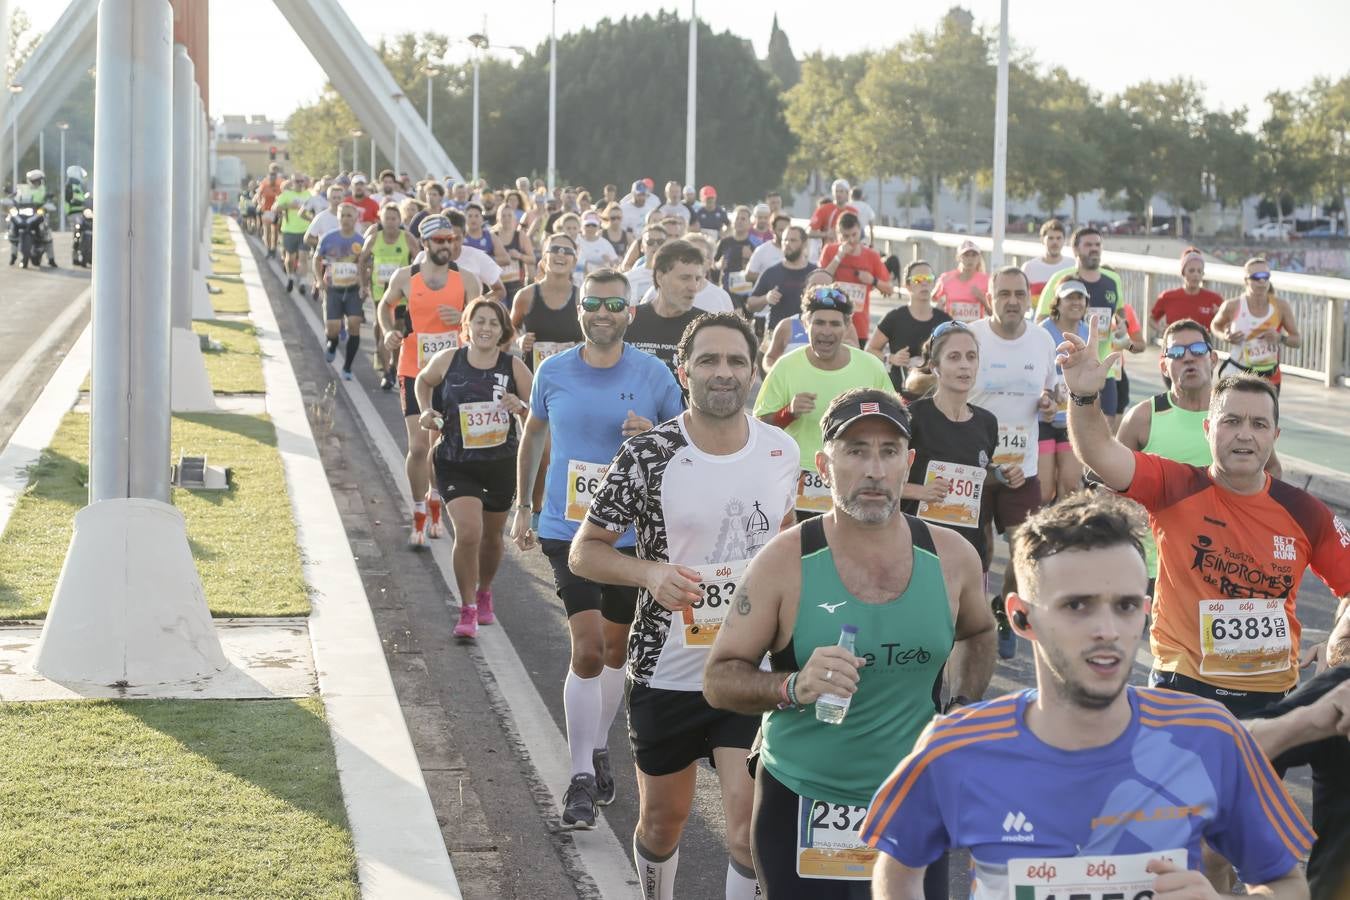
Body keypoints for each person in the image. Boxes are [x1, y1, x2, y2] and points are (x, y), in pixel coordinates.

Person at [863, 491, 1313, 900]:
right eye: (1077, 605)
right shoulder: (958, 747)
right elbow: (897, 872)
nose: (1108, 631)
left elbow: (1286, 883)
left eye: (1126, 606)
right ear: (1021, 619)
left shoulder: (1207, 735)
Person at [704, 388, 995, 898]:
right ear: (824, 463)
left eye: (888, 452)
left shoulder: (952, 558)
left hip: (911, 803)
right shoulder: (784, 562)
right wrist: (794, 686)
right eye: (856, 450)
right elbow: (718, 679)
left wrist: (962, 709)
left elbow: (980, 631)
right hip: (801, 799)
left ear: (909, 463)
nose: (874, 470)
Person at [571, 313, 798, 900]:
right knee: (663, 822)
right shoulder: (649, 454)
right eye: (708, 360)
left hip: (748, 666)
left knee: (747, 831)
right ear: (684, 370)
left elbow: (787, 541)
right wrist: (649, 573)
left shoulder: (782, 451)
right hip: (665, 666)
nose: (723, 373)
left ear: (754, 372)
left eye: (735, 361)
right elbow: (584, 553)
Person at [1058, 321, 1350, 718]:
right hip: (1182, 686)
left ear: (1275, 436)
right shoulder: (1175, 484)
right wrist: (1083, 395)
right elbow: (1098, 451)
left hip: (1270, 698)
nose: (1244, 435)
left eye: (1258, 424)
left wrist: (1341, 643)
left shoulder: (1305, 511)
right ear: (1208, 429)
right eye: (1231, 422)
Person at [511, 269, 685, 829]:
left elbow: (686, 437)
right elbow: (534, 434)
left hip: (631, 537)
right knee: (586, 650)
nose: (602, 313)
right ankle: (581, 775)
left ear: (629, 313)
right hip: (569, 530)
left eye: (614, 304)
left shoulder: (653, 373)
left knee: (615, 653)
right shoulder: (554, 370)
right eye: (593, 304)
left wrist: (650, 433)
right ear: (580, 311)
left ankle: (597, 741)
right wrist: (523, 504)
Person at [414, 297, 531, 638]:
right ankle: (466, 609)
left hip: (500, 464)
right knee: (468, 533)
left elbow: (538, 412)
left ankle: (484, 592)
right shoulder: (449, 359)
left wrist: (520, 406)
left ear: (503, 331)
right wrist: (426, 411)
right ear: (466, 327)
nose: (486, 328)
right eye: (479, 321)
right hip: (455, 461)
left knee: (492, 537)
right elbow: (423, 381)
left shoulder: (514, 367)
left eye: (493, 323)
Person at [969, 267, 1061, 658]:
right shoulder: (971, 335)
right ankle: (973, 615)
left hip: (1021, 461)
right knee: (980, 545)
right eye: (1003, 293)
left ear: (1028, 298)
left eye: (1018, 294)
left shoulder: (1041, 340)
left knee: (1024, 542)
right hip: (973, 459)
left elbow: (1053, 393)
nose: (1011, 301)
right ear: (990, 297)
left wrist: (1049, 403)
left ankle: (1004, 610)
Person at [377, 213, 481, 546]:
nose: (447, 245)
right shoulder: (406, 277)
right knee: (419, 446)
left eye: (451, 240)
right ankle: (419, 510)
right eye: (439, 240)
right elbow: (385, 305)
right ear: (425, 243)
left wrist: (462, 320)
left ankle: (436, 500)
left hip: (452, 371)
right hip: (413, 369)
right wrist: (389, 331)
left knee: (442, 447)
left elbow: (481, 326)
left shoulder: (467, 280)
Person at [753, 286, 892, 520]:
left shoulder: (870, 367)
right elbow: (759, 428)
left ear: (847, 327)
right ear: (806, 323)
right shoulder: (786, 366)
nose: (826, 331)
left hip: (855, 476)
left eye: (835, 324)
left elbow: (895, 420)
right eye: (819, 323)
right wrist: (788, 413)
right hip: (799, 477)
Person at [899, 321, 1000, 575]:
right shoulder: (912, 418)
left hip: (967, 547)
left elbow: (977, 472)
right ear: (935, 366)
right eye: (954, 357)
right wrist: (920, 491)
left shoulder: (987, 422)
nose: (965, 365)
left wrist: (999, 474)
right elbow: (881, 481)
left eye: (971, 357)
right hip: (916, 548)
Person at [1036, 227, 1129, 423]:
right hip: (1069, 371)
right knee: (1072, 429)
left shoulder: (1112, 280)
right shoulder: (1061, 279)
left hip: (1104, 366)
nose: (1094, 249)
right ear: (1076, 250)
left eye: (1097, 244)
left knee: (1107, 427)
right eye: (1088, 245)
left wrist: (1122, 327)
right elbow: (1040, 321)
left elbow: (1120, 314)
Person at [1211, 256, 1301, 393]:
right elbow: (1215, 326)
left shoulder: (1281, 306)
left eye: (1266, 276)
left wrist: (1280, 338)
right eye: (1256, 277)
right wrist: (1225, 336)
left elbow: (1297, 341)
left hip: (1269, 377)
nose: (1262, 281)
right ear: (1246, 280)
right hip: (1237, 373)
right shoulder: (1232, 305)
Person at [1036, 280, 1089, 503]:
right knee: (1044, 491)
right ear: (1057, 302)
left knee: (1070, 485)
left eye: (1080, 298)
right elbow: (1033, 372)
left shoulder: (1089, 333)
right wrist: (1045, 394)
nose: (1076, 302)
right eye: (1070, 298)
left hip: (1072, 418)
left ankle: (1062, 534)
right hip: (1043, 419)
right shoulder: (1043, 332)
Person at [866, 260, 949, 395]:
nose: (924, 283)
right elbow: (870, 350)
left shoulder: (944, 321)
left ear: (934, 283)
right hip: (900, 395)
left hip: (936, 396)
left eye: (928, 279)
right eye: (918, 279)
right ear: (908, 285)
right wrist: (891, 358)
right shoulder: (894, 318)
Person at [627, 239, 708, 378]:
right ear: (660, 277)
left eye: (697, 279)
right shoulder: (629, 320)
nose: (693, 287)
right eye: (685, 278)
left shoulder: (705, 326)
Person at [361, 202, 419, 390]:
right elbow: (362, 260)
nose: (391, 222)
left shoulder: (407, 238)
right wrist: (363, 284)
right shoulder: (373, 238)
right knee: (382, 329)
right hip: (381, 292)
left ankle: (394, 366)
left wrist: (416, 288)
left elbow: (419, 262)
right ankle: (386, 371)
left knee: (398, 331)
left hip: (401, 293)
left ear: (400, 220)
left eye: (394, 219)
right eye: (387, 218)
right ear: (381, 219)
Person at [314, 203, 370, 380]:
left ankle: (347, 367)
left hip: (353, 290)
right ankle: (332, 343)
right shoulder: (329, 238)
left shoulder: (361, 241)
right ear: (337, 218)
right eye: (343, 215)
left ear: (356, 219)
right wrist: (318, 280)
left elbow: (367, 265)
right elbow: (317, 258)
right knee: (333, 328)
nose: (346, 219)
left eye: (349, 216)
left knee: (354, 324)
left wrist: (364, 285)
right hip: (333, 289)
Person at [818, 213, 892, 341]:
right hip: (831, 323)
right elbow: (820, 281)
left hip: (859, 326)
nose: (851, 240)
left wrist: (873, 280)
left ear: (860, 231)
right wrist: (839, 256)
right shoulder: (829, 251)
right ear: (838, 234)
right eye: (846, 236)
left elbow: (889, 289)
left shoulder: (871, 256)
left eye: (854, 235)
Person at [748, 225, 817, 336]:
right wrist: (766, 298)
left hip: (806, 335)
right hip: (776, 335)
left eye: (793, 240)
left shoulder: (815, 273)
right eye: (785, 240)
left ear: (804, 244)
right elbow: (750, 305)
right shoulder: (771, 272)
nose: (787, 244)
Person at [1150, 247, 1224, 329]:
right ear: (1183, 272)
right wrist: (1162, 330)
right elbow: (1151, 319)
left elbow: (1227, 323)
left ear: (1203, 274)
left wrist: (1220, 316)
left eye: (1199, 271)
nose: (1196, 275)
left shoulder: (1215, 299)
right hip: (1175, 341)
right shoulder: (1167, 296)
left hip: (1202, 341)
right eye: (1191, 271)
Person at [933, 239, 989, 323]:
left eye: (974, 255)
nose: (970, 259)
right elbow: (932, 299)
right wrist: (939, 308)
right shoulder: (946, 279)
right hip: (951, 329)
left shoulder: (987, 280)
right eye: (966, 255)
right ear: (958, 257)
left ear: (979, 258)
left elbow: (993, 313)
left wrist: (982, 299)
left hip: (975, 330)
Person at [712, 206, 756, 306]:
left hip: (742, 295)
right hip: (724, 292)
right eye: (737, 218)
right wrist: (718, 265)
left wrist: (747, 260)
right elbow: (712, 264)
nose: (739, 221)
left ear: (750, 224)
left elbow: (756, 275)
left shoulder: (753, 247)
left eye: (743, 219)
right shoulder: (724, 242)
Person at [1020, 218, 1075, 297]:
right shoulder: (1029, 267)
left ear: (1064, 240)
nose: (1055, 242)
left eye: (1058, 238)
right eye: (1050, 238)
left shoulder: (1072, 266)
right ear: (1042, 240)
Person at [492, 198, 533, 299]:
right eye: (503, 215)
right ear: (498, 218)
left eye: (509, 215)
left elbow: (532, 259)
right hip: (497, 285)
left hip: (516, 285)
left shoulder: (520, 236)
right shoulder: (492, 235)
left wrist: (519, 256)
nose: (506, 218)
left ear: (514, 218)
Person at [806, 178, 856, 251]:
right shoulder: (823, 209)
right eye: (836, 191)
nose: (838, 194)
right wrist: (826, 234)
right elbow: (809, 232)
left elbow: (859, 234)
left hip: (849, 252)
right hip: (828, 252)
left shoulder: (853, 212)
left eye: (841, 191)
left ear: (847, 193)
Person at [624, 225, 667, 302]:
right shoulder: (628, 278)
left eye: (660, 242)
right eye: (650, 242)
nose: (655, 245)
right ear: (641, 247)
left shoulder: (674, 276)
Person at [254, 164, 285, 258]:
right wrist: (259, 204)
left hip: (275, 211)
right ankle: (268, 249)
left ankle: (274, 249)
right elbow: (258, 194)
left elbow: (284, 195)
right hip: (266, 210)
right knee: (267, 230)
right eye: (272, 171)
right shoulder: (264, 183)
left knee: (274, 231)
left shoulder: (281, 183)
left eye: (276, 171)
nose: (273, 177)